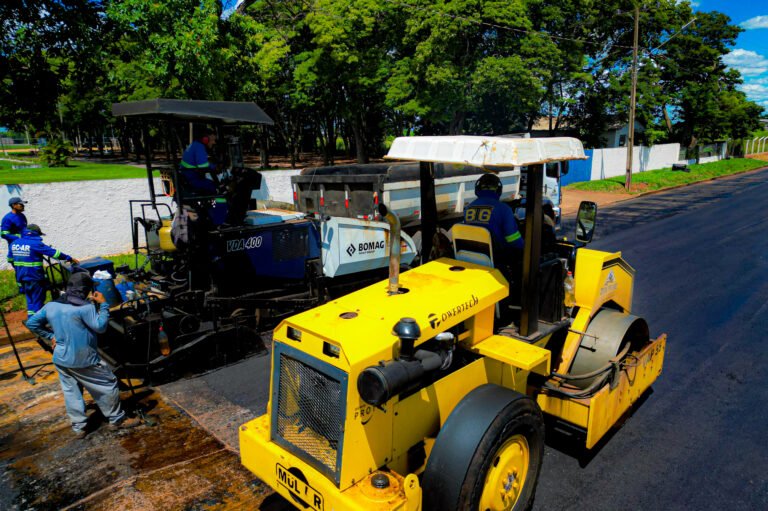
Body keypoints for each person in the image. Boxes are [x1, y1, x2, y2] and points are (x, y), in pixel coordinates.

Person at [26, 271, 141, 438]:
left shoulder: (51, 305)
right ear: (85, 290)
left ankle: (79, 427)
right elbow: (100, 327)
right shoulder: (85, 308)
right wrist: (103, 305)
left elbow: (32, 323)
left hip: (60, 358)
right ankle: (117, 419)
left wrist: (51, 336)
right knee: (108, 384)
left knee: (71, 391)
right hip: (83, 359)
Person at [10, 224, 79, 317]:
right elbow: (54, 253)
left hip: (21, 277)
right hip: (34, 277)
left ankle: (31, 319)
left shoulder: (14, 243)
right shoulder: (35, 243)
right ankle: (37, 321)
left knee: (30, 300)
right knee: (38, 299)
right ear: (34, 233)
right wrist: (68, 258)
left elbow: (10, 259)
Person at [464, 173, 524, 259]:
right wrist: (525, 248)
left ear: (477, 188)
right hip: (497, 257)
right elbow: (513, 239)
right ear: (498, 189)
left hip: (472, 254)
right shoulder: (504, 209)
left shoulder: (468, 208)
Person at [180, 129, 218, 196]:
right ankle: (220, 202)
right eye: (213, 140)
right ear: (205, 139)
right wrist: (215, 166)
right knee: (214, 186)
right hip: (192, 179)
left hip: (188, 176)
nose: (214, 142)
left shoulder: (195, 144)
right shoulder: (199, 147)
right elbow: (203, 166)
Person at [2, 197, 28, 266]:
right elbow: (4, 234)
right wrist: (19, 237)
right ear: (14, 205)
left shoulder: (22, 216)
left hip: (25, 246)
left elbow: (24, 229)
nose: (23, 205)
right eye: (20, 204)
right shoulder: (7, 218)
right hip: (15, 247)